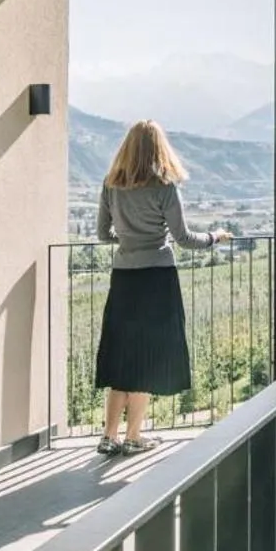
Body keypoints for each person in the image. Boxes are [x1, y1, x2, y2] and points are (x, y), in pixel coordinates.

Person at [94, 120, 227, 455]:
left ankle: (109, 437)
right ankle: (134, 437)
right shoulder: (165, 188)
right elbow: (184, 238)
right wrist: (215, 237)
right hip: (157, 280)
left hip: (124, 279)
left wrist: (128, 241)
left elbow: (102, 234)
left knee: (122, 355)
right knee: (147, 356)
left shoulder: (111, 185)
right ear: (159, 148)